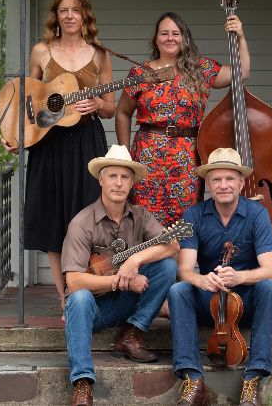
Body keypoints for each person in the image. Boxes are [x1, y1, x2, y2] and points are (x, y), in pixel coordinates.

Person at [2, 0, 114, 314]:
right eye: (63, 10)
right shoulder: (42, 51)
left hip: (87, 141)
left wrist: (97, 103)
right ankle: (65, 297)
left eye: (75, 10)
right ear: (56, 15)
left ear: (84, 15)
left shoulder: (99, 54)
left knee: (89, 215)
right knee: (54, 217)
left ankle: (85, 290)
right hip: (49, 142)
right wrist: (16, 136)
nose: (69, 16)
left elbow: (110, 108)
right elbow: (28, 98)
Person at [62, 144, 179, 406]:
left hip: (125, 304)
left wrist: (135, 260)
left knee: (167, 267)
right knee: (79, 299)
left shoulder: (141, 216)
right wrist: (121, 280)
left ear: (132, 183)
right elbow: (74, 281)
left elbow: (172, 245)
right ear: (101, 180)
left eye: (124, 177)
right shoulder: (82, 223)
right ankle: (82, 383)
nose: (118, 183)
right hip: (93, 310)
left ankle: (132, 334)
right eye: (112, 176)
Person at [168, 148, 272, 406]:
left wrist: (239, 277)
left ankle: (253, 378)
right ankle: (193, 380)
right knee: (178, 291)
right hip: (210, 300)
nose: (223, 185)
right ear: (208, 184)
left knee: (270, 289)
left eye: (230, 178)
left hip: (246, 301)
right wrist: (201, 280)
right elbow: (184, 270)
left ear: (241, 182)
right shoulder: (193, 215)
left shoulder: (257, 214)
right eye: (217, 179)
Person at [115, 12, 251, 227]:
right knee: (144, 219)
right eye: (164, 33)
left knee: (185, 221)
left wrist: (240, 36)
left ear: (184, 38)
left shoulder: (200, 69)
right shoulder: (140, 73)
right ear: (156, 39)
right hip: (147, 156)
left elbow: (241, 72)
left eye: (175, 33)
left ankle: (181, 253)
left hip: (187, 158)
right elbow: (123, 112)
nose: (170, 38)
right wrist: (125, 155)